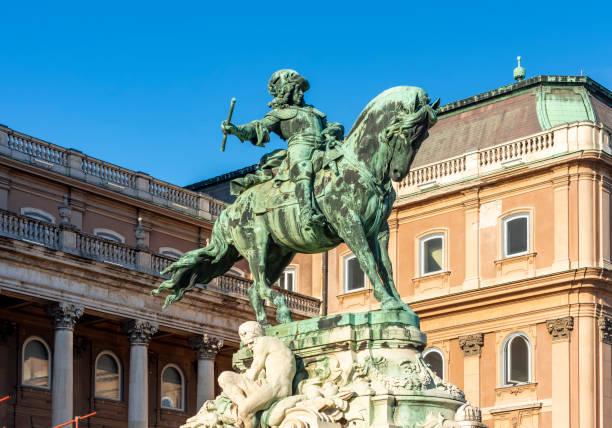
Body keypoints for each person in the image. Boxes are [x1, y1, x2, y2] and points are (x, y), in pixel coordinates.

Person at [221, 69, 344, 228]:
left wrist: (333, 130)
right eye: (296, 89)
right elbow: (258, 127)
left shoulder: (314, 112)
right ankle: (307, 212)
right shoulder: (279, 114)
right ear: (286, 91)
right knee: (303, 167)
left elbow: (334, 126)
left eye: (301, 90)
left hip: (323, 146)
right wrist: (236, 130)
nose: (301, 93)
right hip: (299, 147)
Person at [217, 321, 296, 428]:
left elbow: (253, 372)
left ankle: (245, 413)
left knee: (244, 409)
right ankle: (244, 410)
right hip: (267, 386)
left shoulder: (264, 341)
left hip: (276, 388)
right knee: (224, 377)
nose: (249, 348)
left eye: (250, 343)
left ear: (257, 335)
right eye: (246, 345)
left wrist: (229, 391)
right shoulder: (275, 349)